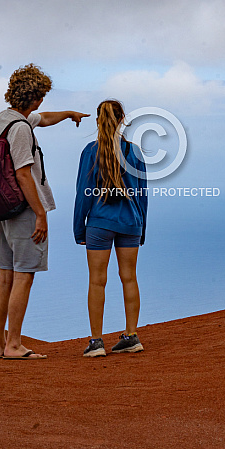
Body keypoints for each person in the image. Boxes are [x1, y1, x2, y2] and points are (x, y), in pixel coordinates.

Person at [0, 63, 89, 359]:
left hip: (3, 209)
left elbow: (42, 119)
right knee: (23, 275)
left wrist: (69, 113)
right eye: (42, 95)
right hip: (24, 211)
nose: (43, 101)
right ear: (35, 96)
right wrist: (41, 214)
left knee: (4, 275)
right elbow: (23, 173)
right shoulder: (20, 130)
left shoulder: (4, 120)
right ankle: (14, 345)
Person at [74, 99, 147, 357]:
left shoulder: (90, 151)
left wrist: (78, 229)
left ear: (98, 120)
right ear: (122, 119)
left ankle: (96, 343)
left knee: (97, 281)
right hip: (131, 223)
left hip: (99, 223)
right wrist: (142, 227)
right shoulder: (135, 152)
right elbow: (142, 194)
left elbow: (83, 194)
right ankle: (132, 335)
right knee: (129, 277)